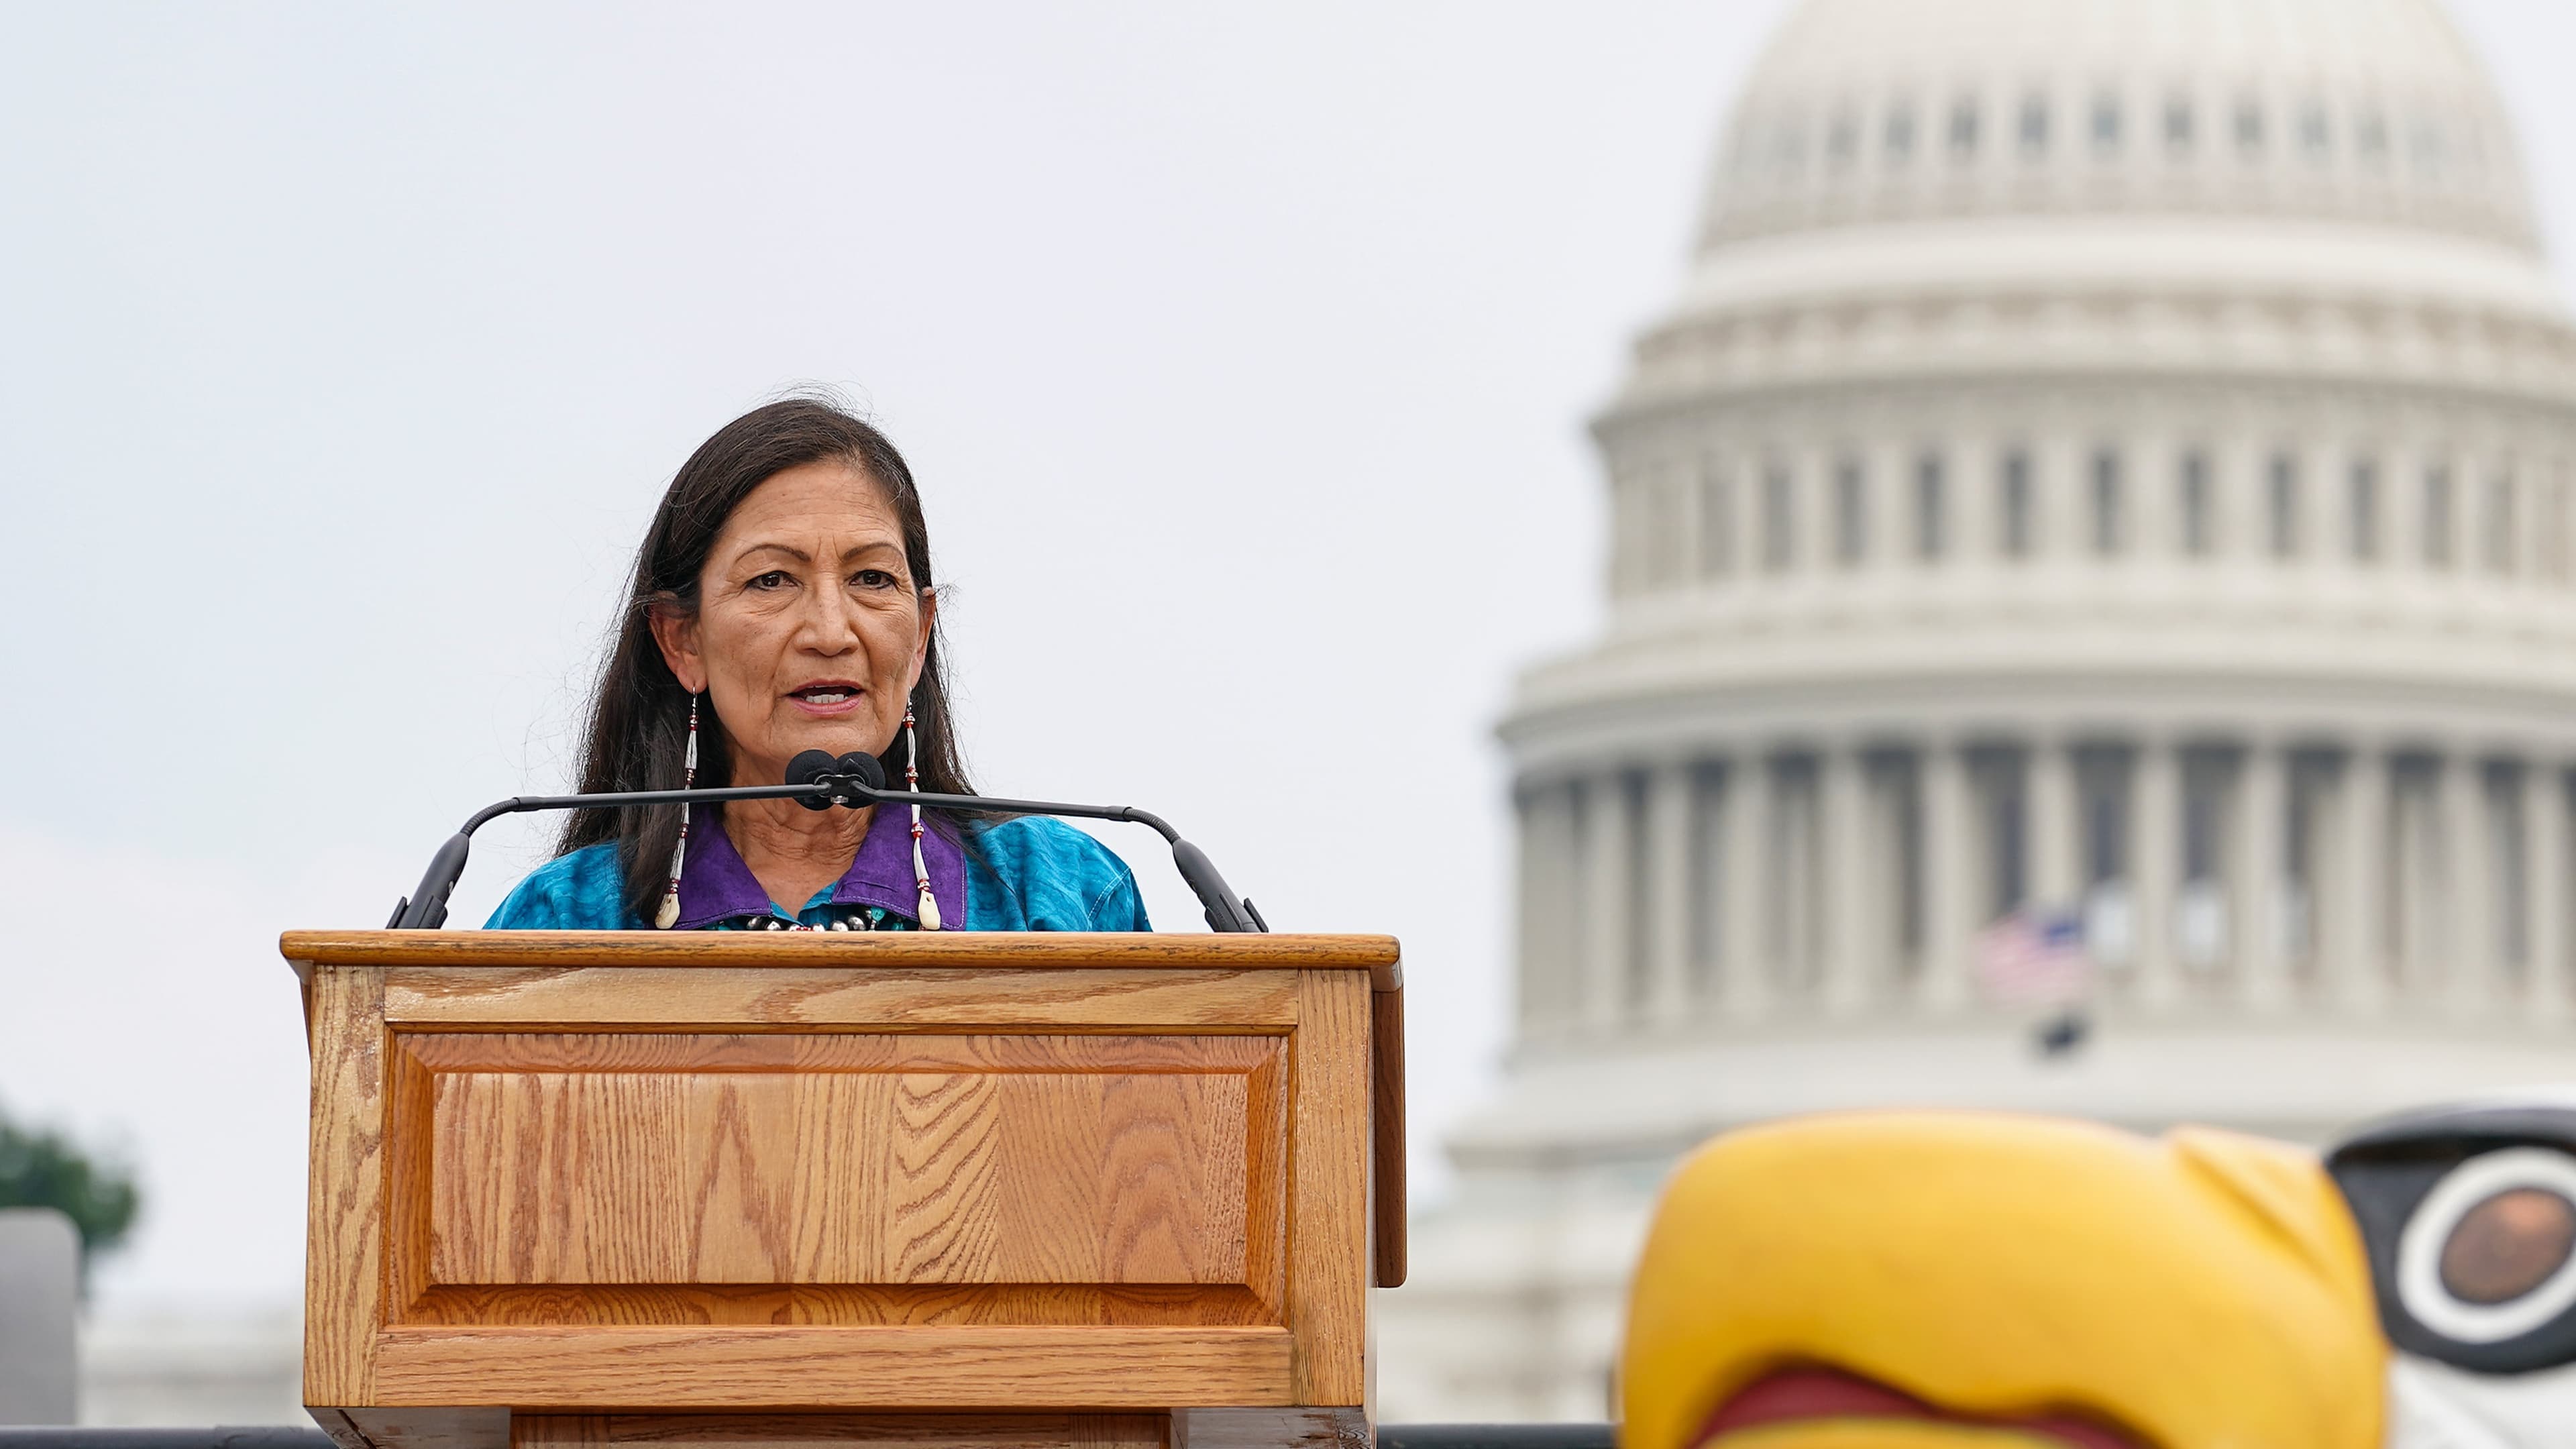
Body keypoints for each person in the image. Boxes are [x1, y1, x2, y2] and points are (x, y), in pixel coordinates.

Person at [486, 398, 1149, 933]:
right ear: (683, 640)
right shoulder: (566, 918)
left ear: (920, 636)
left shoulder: (1061, 893)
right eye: (772, 580)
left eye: (871, 578)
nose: (831, 633)